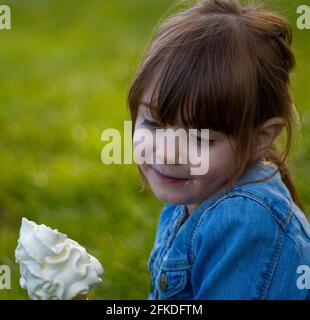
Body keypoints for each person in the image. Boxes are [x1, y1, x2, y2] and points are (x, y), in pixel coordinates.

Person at [127, 0, 310, 299]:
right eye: (153, 123)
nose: (169, 152)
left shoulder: (244, 220)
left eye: (200, 139)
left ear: (259, 138)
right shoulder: (192, 195)